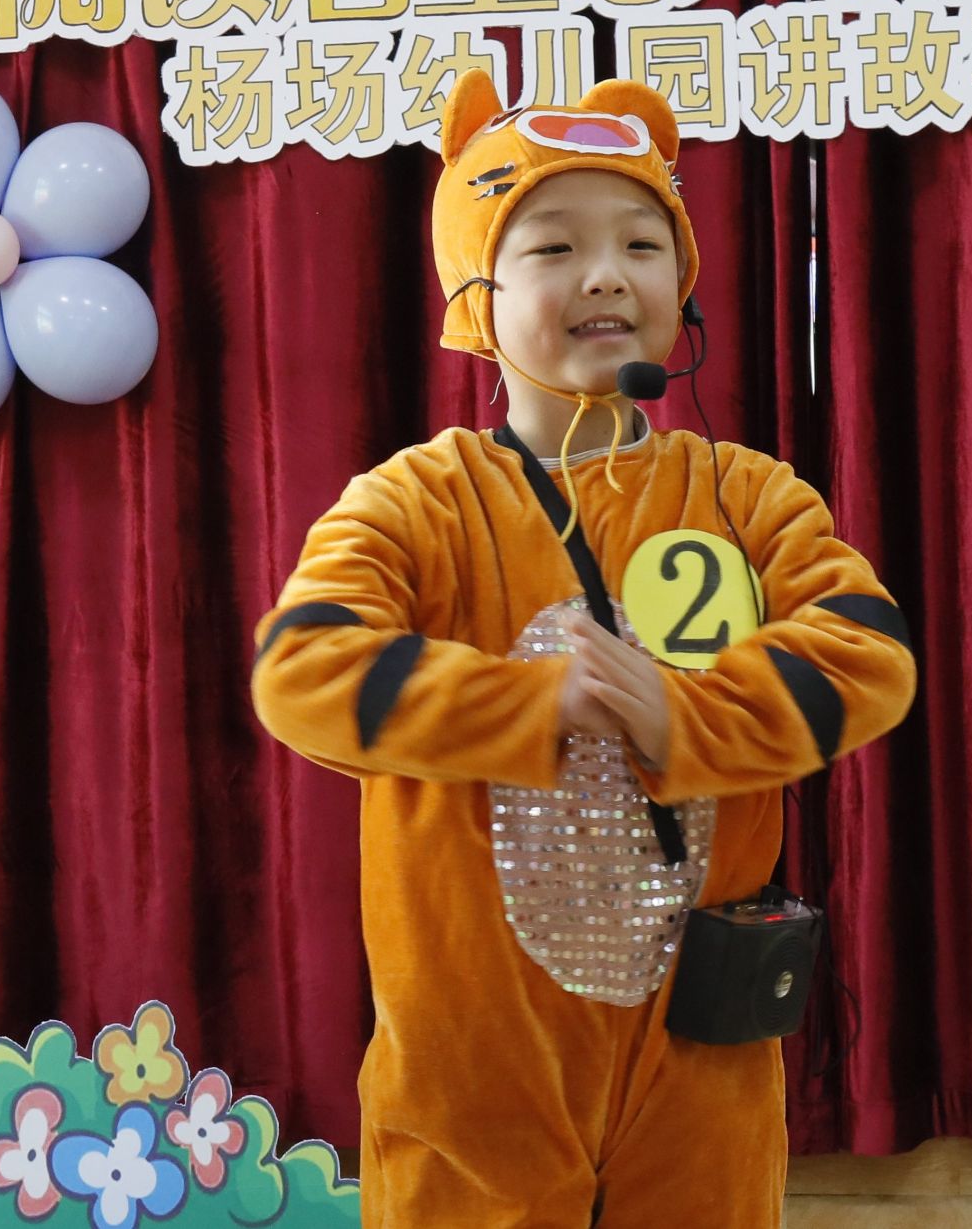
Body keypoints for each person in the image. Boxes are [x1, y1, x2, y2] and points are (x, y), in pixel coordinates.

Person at [252, 68, 917, 1227]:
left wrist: (685, 719)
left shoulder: (743, 492)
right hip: (472, 1065)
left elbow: (867, 653)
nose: (606, 274)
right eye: (553, 246)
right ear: (475, 294)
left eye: (640, 245)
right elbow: (301, 670)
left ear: (680, 286)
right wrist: (532, 702)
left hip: (699, 1056)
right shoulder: (416, 501)